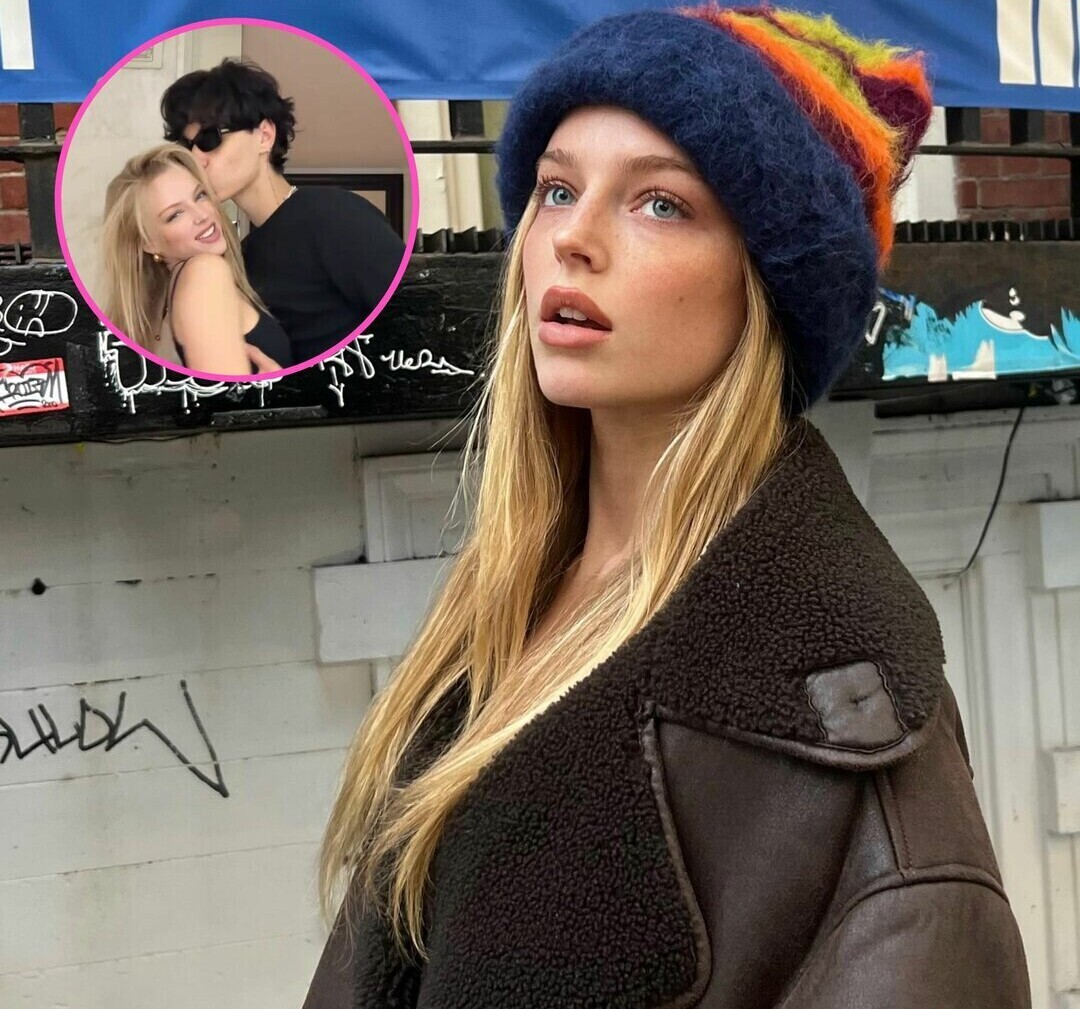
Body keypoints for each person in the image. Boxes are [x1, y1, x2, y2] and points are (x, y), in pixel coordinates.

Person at [302, 5, 1033, 1008]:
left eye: (660, 204)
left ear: (765, 284)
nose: (572, 240)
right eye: (557, 189)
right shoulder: (506, 604)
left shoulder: (847, 721)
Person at [160, 58, 408, 365]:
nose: (197, 159)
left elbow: (415, 324)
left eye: (209, 139)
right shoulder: (240, 256)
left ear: (264, 136)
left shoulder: (333, 216)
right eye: (187, 148)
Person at [101, 143, 292, 376]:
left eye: (200, 195)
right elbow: (225, 395)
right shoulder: (206, 272)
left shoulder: (164, 301)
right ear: (148, 243)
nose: (202, 215)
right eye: (175, 214)